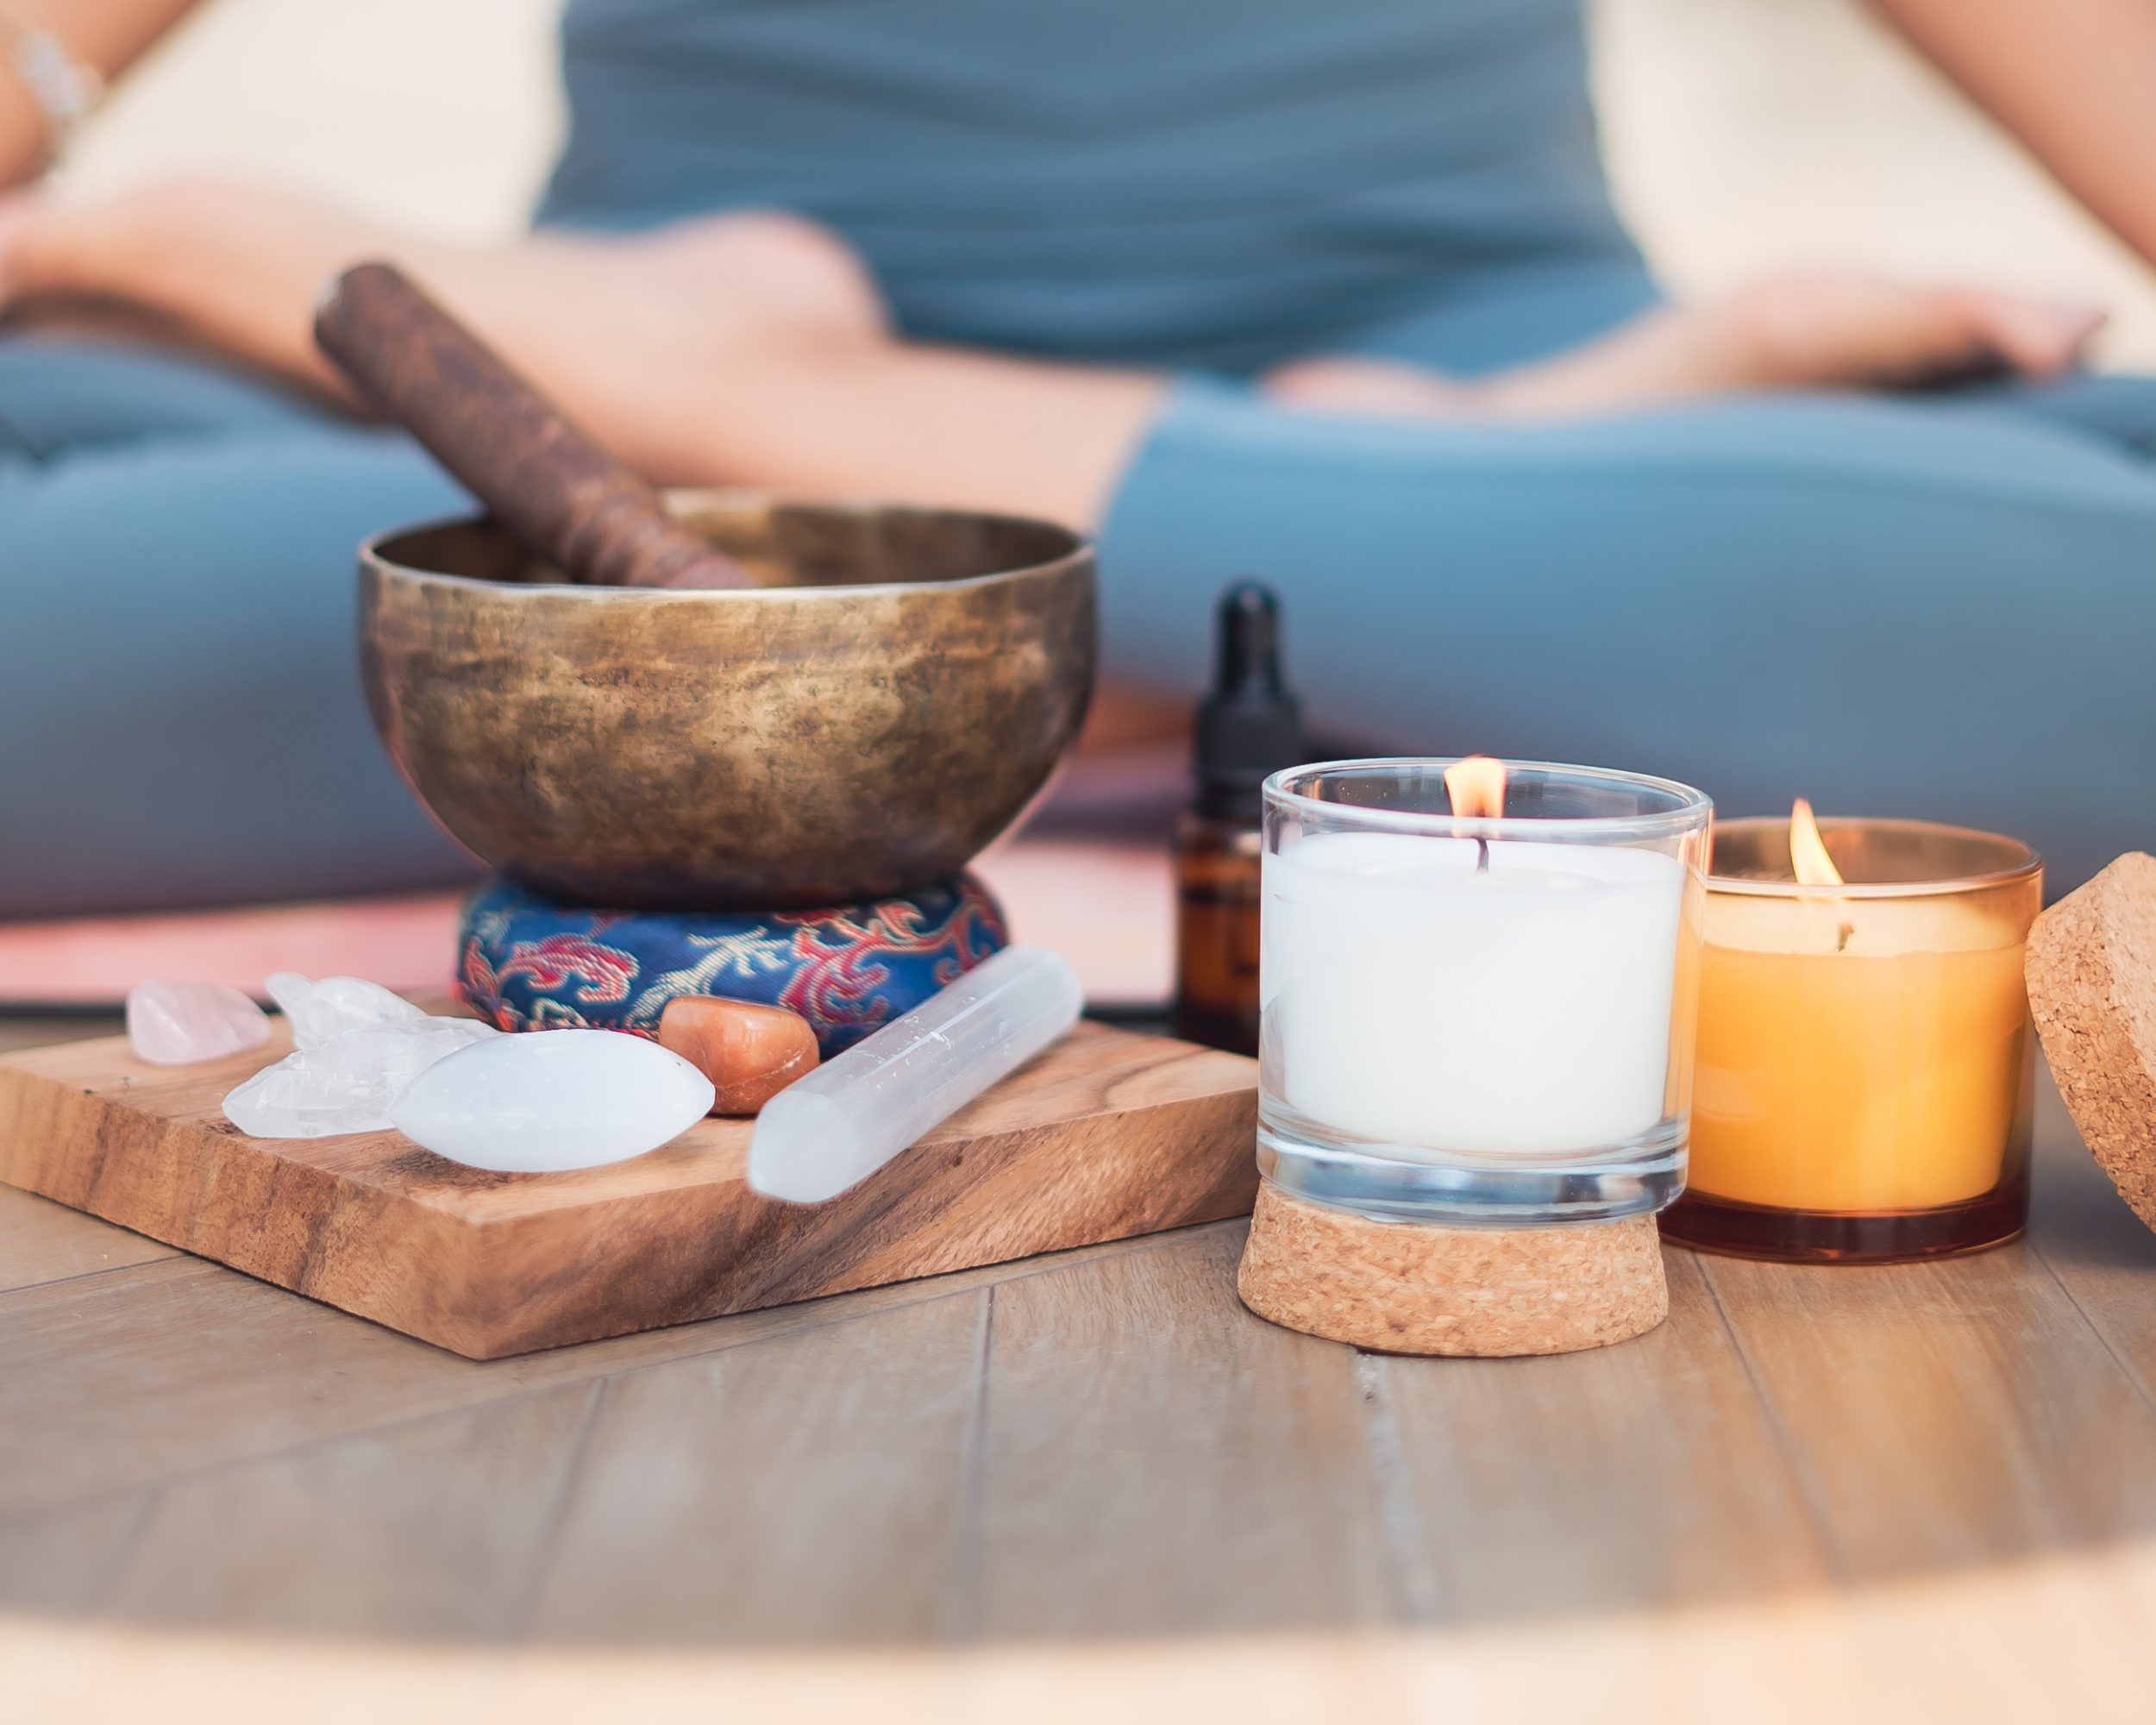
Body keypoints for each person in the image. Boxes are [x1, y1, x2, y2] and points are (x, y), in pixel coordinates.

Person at [2, 0, 2153, 918]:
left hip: (631, 449)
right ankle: (1365, 572)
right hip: (605, 410)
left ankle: (824, 438)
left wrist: (781, 416)